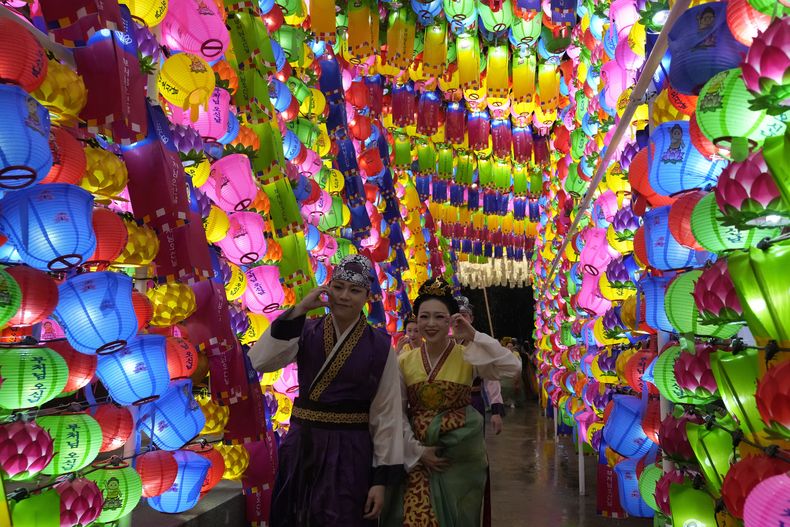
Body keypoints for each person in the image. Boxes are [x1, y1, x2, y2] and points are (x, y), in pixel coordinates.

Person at [248, 254, 404, 527]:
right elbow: (259, 361)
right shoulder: (305, 330)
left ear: (367, 296)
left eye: (354, 290)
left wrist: (381, 480)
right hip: (303, 447)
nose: (344, 296)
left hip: (351, 452)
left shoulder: (379, 346)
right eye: (338, 287)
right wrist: (298, 310)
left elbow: (387, 414)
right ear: (326, 289)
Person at [382, 278, 521, 527]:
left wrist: (475, 335)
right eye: (424, 317)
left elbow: (513, 368)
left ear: (451, 321)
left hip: (460, 459)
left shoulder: (468, 355)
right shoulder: (403, 361)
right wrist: (417, 451)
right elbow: (395, 413)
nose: (431, 324)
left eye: (439, 317)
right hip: (418, 455)